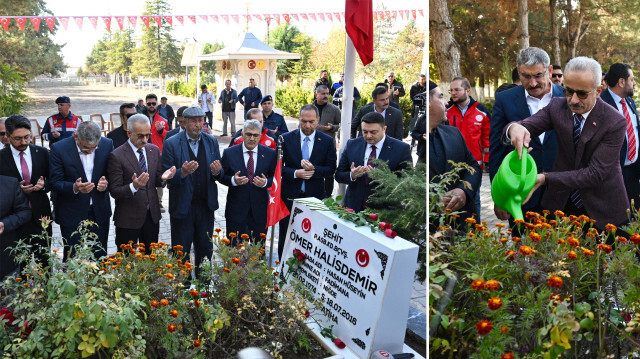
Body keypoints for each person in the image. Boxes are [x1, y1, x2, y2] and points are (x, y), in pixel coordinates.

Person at [505, 56, 629, 231]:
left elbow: (594, 173)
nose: (573, 100)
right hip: (561, 204)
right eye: (568, 91)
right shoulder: (557, 107)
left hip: (602, 208)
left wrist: (546, 178)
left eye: (582, 94)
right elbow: (527, 125)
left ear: (599, 90)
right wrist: (514, 128)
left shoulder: (614, 121)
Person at [489, 47, 564, 222]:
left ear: (550, 70)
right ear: (518, 71)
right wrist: (499, 196)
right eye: (526, 76)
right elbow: (497, 151)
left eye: (538, 75)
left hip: (562, 195)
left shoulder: (569, 97)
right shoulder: (504, 99)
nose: (532, 83)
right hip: (520, 196)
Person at [162, 106, 223, 279]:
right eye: (194, 121)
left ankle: (204, 289)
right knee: (181, 252)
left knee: (205, 251)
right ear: (185, 123)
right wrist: (182, 172)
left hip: (205, 206)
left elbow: (220, 173)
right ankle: (183, 290)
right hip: (182, 208)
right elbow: (165, 176)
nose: (198, 125)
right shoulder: (171, 143)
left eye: (200, 120)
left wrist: (217, 172)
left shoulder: (211, 142)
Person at [107, 114, 176, 250]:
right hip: (128, 220)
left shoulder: (153, 150)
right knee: (126, 263)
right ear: (128, 133)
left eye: (147, 135)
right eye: (140, 136)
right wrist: (134, 186)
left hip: (151, 217)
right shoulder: (117, 155)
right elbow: (114, 191)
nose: (144, 140)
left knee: (150, 261)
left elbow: (156, 179)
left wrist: (163, 178)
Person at [278, 104, 337, 259]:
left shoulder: (326, 141)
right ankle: (281, 268)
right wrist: (296, 173)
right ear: (299, 119)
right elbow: (277, 169)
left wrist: (314, 170)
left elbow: (331, 168)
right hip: (289, 196)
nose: (307, 125)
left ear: (318, 120)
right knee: (286, 234)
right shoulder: (286, 138)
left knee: (312, 235)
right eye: (304, 121)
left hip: (314, 197)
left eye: (311, 121)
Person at [49, 121, 114, 260]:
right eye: (85, 148)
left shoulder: (107, 144)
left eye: (94, 148)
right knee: (71, 257)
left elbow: (112, 173)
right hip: (71, 212)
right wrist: (74, 187)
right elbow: (54, 182)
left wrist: (106, 183)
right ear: (75, 136)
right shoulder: (59, 148)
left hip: (99, 211)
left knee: (100, 256)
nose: (90, 151)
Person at [0, 115, 51, 265]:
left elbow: (53, 180)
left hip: (41, 217)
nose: (23, 142)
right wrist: (16, 191)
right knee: (20, 265)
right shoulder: (1, 158)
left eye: (27, 137)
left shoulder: (41, 152)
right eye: (17, 138)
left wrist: (44, 185)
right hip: (14, 221)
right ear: (8, 137)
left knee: (45, 262)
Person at [336, 112, 412, 212]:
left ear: (384, 129)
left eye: (373, 132)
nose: (368, 136)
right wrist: (352, 175)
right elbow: (338, 175)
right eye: (365, 131)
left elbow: (407, 182)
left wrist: (384, 178)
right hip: (353, 208)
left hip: (384, 211)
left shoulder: (401, 149)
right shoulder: (352, 144)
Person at [428, 81, 481, 223]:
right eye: (440, 97)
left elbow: (473, 167)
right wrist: (432, 200)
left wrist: (463, 191)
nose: (446, 103)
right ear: (428, 104)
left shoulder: (453, 133)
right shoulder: (419, 142)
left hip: (461, 224)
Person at [220, 119, 276, 244]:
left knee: (258, 251)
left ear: (260, 136)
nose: (252, 138)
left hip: (259, 211)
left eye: (255, 135)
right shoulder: (229, 153)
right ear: (242, 134)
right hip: (236, 210)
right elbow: (221, 176)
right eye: (248, 134)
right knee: (234, 252)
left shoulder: (270, 154)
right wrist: (233, 180)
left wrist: (266, 182)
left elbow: (276, 178)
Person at [597, 63, 640, 209]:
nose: (634, 83)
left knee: (633, 218)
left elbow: (635, 131)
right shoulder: (600, 104)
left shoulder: (629, 101)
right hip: (613, 176)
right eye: (632, 79)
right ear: (621, 82)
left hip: (633, 172)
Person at [447, 77, 490, 170]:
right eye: (451, 90)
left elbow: (488, 138)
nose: (453, 93)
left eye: (457, 90)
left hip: (475, 164)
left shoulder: (482, 111)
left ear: (467, 91)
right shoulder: (445, 111)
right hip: (451, 164)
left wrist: (488, 159)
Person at [142, 94, 170, 213]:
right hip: (142, 151)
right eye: (149, 104)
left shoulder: (163, 119)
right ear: (145, 104)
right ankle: (143, 201)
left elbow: (169, 136)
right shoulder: (140, 118)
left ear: (157, 104)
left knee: (158, 177)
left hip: (158, 152)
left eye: (154, 103)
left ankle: (158, 202)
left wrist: (161, 131)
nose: (151, 106)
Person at [0, 175, 31, 279]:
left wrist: (5, 224)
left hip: (5, 257)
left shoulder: (10, 183)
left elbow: (24, 211)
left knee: (9, 293)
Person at [313, 85, 341, 197]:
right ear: (316, 95)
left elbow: (341, 125)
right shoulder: (309, 108)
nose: (326, 96)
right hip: (313, 145)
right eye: (323, 94)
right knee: (313, 170)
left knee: (330, 172)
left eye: (327, 93)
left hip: (329, 146)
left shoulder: (335, 109)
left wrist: (331, 128)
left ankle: (328, 197)